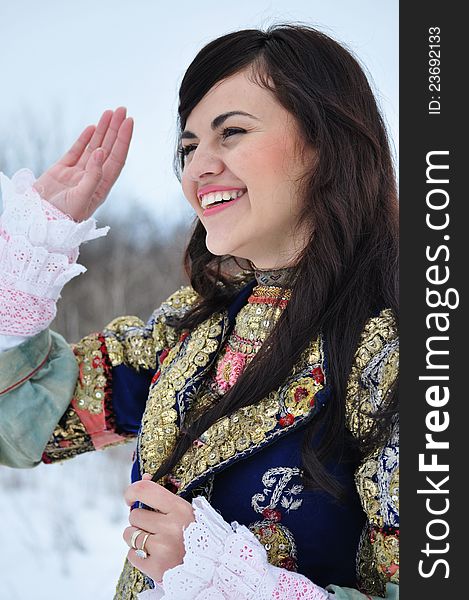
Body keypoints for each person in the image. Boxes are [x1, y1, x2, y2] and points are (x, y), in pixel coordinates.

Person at [0, 24, 399, 600]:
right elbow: (23, 425)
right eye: (188, 147)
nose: (197, 168)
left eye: (230, 133)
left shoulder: (401, 351)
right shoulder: (196, 327)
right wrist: (29, 254)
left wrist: (229, 582)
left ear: (328, 142)